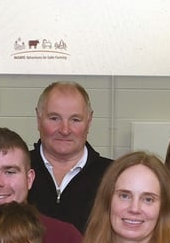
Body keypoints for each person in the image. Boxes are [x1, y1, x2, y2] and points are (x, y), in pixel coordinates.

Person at [27, 81, 113, 232]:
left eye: (75, 120)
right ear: (38, 119)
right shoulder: (16, 172)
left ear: (89, 121)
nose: (65, 130)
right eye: (54, 118)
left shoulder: (113, 175)